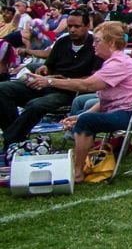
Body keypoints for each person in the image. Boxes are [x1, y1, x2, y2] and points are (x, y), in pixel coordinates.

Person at [29, 21, 132, 184]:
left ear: (111, 42)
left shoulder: (119, 63)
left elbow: (86, 85)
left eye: (98, 41)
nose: (93, 44)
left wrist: (48, 82)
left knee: (87, 121)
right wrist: (80, 116)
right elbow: (104, 101)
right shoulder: (113, 62)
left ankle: (77, 172)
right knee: (84, 118)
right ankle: (78, 168)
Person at [0, 8, 99, 148]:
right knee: (3, 89)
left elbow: (93, 78)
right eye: (70, 26)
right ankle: (16, 136)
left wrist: (62, 80)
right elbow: (49, 65)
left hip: (69, 92)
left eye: (77, 26)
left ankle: (12, 139)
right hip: (46, 83)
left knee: (35, 105)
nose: (72, 30)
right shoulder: (62, 42)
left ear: (87, 26)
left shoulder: (96, 45)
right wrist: (44, 69)